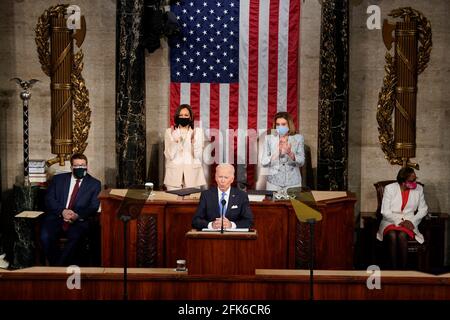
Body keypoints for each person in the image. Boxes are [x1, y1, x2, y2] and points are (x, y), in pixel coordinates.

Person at [40, 153, 101, 266]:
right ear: (71, 167)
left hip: (78, 220)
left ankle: (58, 268)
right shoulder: (58, 179)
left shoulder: (94, 184)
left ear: (87, 166)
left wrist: (77, 215)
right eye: (76, 166)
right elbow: (49, 199)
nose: (80, 168)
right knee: (45, 236)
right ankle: (57, 265)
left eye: (82, 165)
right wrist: (62, 211)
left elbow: (93, 206)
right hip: (57, 217)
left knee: (76, 239)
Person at [376, 167, 428, 269]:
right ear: (403, 182)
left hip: (410, 221)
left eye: (415, 179)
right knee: (392, 235)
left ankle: (403, 270)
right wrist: (399, 221)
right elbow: (385, 211)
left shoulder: (419, 189)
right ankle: (393, 270)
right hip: (390, 220)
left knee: (402, 235)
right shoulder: (390, 188)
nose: (415, 182)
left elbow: (423, 209)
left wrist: (412, 222)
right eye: (412, 180)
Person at [192, 163, 253, 230]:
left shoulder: (241, 196)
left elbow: (249, 221)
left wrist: (231, 225)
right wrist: (211, 225)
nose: (222, 181)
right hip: (211, 237)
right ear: (215, 178)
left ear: (232, 179)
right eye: (220, 177)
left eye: (226, 177)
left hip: (233, 238)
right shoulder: (206, 195)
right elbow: (195, 221)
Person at [164, 104, 206, 190]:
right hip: (173, 177)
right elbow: (169, 156)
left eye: (186, 115)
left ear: (190, 118)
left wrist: (193, 142)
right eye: (181, 115)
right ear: (177, 117)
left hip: (193, 177)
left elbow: (198, 156)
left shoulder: (198, 132)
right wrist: (174, 142)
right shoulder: (169, 132)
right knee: (173, 202)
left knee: (191, 203)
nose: (183, 117)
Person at [261, 112, 305, 192]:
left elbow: (301, 162)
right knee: (273, 204)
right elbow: (264, 162)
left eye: (283, 124)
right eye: (278, 124)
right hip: (273, 183)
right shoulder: (269, 139)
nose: (280, 127)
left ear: (289, 125)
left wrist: (290, 153)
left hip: (293, 183)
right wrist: (277, 153)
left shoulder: (298, 138)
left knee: (293, 205)